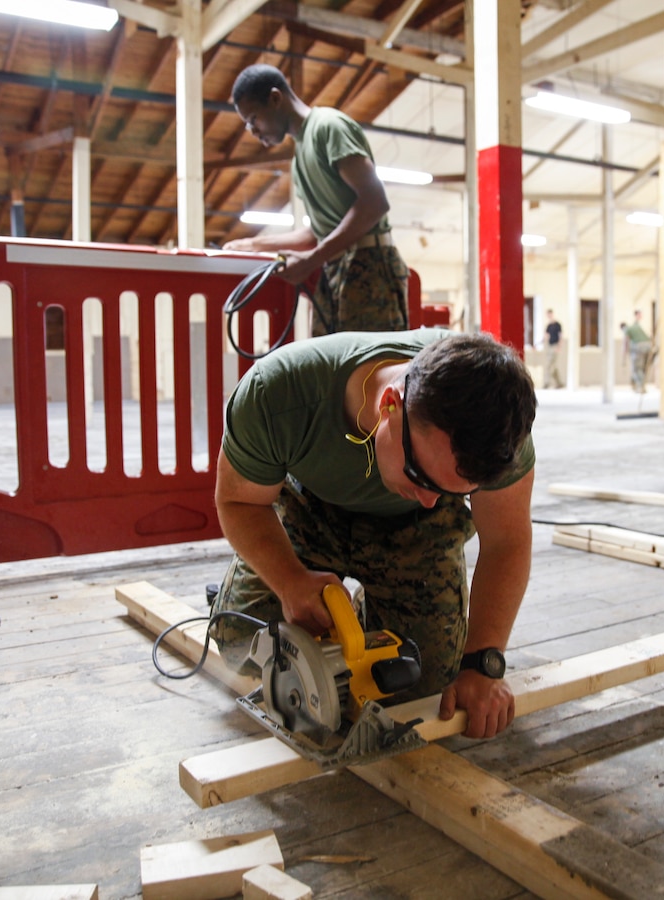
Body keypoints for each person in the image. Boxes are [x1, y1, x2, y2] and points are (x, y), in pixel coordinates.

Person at [211, 328, 537, 740]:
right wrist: (289, 581)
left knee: (423, 684)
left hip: (414, 535)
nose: (428, 499)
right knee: (243, 641)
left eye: (451, 491)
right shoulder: (279, 392)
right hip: (310, 508)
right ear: (390, 405)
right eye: (419, 475)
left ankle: (372, 614)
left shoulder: (497, 428)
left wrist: (482, 663)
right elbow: (239, 502)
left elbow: (506, 542)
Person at [221, 64, 409, 336]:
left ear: (275, 98)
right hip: (334, 271)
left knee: (371, 369)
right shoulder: (299, 160)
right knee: (332, 372)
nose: (252, 130)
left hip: (369, 266)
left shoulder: (328, 128)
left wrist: (311, 259)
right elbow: (320, 229)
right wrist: (255, 244)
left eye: (253, 118)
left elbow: (374, 202)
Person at [621, 310, 652, 393]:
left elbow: (625, 344)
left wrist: (623, 358)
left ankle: (641, 387)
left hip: (639, 348)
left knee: (637, 369)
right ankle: (641, 386)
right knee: (643, 369)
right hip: (649, 347)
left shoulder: (627, 330)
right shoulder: (637, 326)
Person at [543, 309, 563, 389]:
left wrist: (559, 347)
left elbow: (560, 336)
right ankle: (559, 383)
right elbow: (546, 336)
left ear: (552, 314)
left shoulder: (557, 325)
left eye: (550, 314)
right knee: (554, 366)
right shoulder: (549, 326)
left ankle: (546, 383)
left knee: (548, 365)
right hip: (549, 346)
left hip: (555, 346)